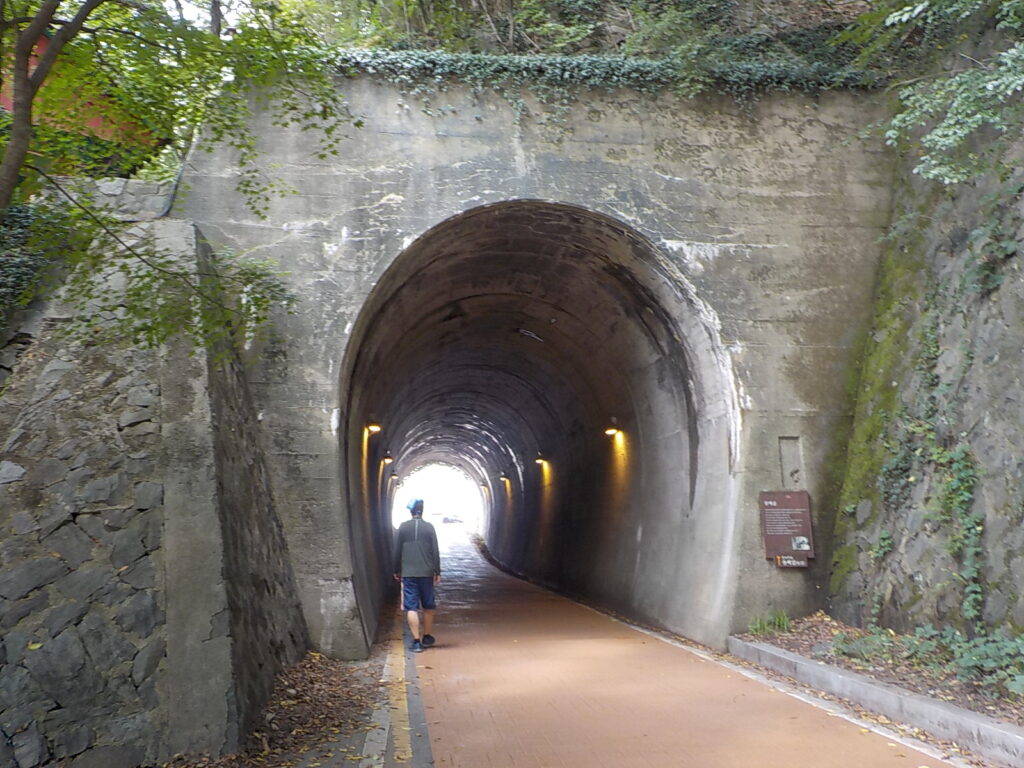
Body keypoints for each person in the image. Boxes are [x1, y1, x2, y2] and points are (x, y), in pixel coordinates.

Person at [393, 498, 441, 653]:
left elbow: (397, 551)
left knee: (411, 607)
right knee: (428, 605)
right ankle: (427, 636)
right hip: (426, 572)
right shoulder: (429, 528)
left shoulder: (403, 527)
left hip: (408, 573)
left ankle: (416, 642)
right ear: (422, 510)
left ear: (411, 511)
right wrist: (437, 571)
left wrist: (396, 569)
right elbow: (435, 551)